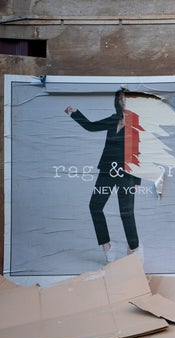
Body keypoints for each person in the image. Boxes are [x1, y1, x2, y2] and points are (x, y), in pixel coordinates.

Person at [65, 89, 143, 263]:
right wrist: (75, 113)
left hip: (127, 173)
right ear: (118, 101)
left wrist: (137, 180)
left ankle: (134, 248)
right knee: (95, 206)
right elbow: (91, 127)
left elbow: (140, 151)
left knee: (126, 212)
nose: (124, 101)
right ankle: (107, 245)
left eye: (127, 98)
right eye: (121, 98)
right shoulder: (113, 119)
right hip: (107, 170)